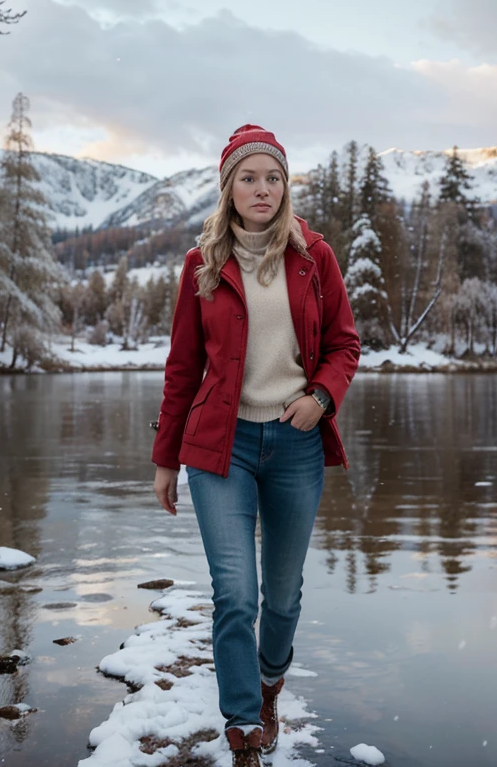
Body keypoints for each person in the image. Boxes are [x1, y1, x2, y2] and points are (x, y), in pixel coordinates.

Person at [152, 125, 361, 767]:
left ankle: (270, 683)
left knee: (285, 592)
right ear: (229, 188)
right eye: (249, 177)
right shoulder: (201, 266)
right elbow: (183, 366)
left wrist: (320, 398)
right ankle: (242, 721)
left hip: (296, 443)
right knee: (234, 594)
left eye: (272, 177)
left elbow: (344, 345)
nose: (262, 188)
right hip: (222, 447)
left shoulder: (314, 256)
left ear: (285, 185)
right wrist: (165, 458)